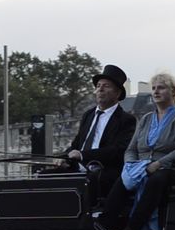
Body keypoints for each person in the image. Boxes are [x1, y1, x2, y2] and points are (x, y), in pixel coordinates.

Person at [103, 71, 175, 230]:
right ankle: (104, 226)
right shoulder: (147, 119)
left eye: (161, 88)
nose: (155, 91)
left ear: (173, 91)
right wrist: (130, 164)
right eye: (153, 88)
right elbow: (131, 149)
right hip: (142, 167)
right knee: (122, 179)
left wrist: (160, 163)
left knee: (157, 179)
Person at [55, 64, 136, 196]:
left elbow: (118, 151)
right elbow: (76, 145)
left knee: (90, 180)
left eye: (106, 86)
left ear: (118, 93)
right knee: (44, 176)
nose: (100, 89)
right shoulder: (88, 115)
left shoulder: (126, 120)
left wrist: (83, 155)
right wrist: (63, 158)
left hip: (104, 170)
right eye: (98, 86)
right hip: (79, 168)